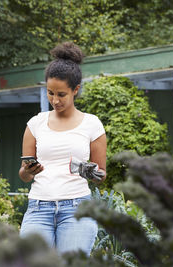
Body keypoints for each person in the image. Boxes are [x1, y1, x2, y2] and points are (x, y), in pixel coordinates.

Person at [18, 42, 107, 255]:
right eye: (50, 93)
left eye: (61, 94)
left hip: (77, 209)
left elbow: (101, 175)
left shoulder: (92, 124)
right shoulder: (35, 124)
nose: (54, 100)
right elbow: (23, 175)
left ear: (75, 90)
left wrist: (88, 171)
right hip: (39, 208)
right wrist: (27, 171)